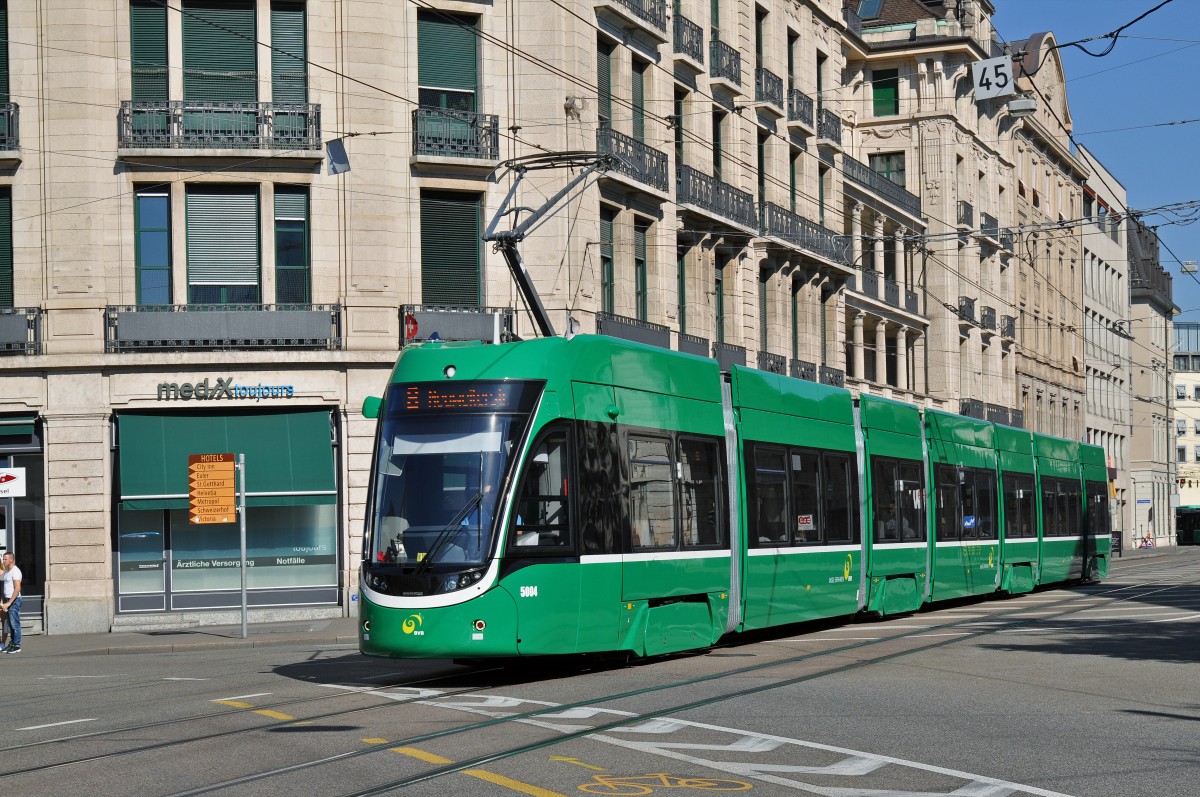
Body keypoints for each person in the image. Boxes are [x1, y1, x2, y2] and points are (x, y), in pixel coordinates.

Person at [2, 551, 21, 653]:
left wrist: (10, 602)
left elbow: (17, 588)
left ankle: (17, 645)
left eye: (5, 559)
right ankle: (13, 643)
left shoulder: (15, 571)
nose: (3, 561)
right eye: (3, 559)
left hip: (14, 601)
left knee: (15, 623)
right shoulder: (7, 571)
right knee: (10, 623)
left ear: (11, 560)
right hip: (8, 600)